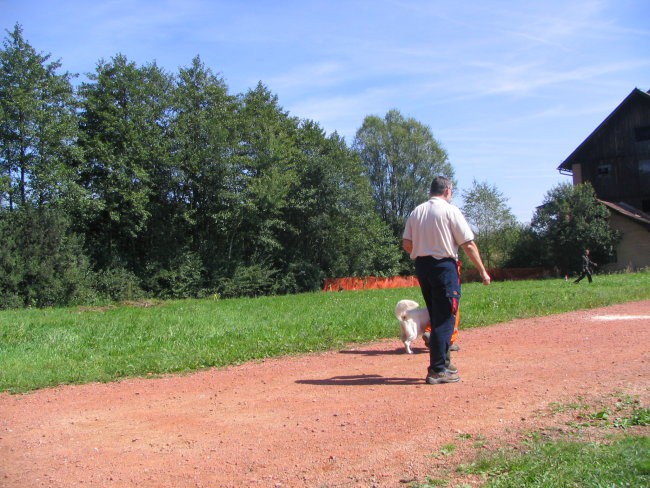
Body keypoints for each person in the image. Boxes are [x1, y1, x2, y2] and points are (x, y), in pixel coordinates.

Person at [403, 176, 491, 384]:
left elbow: (407, 242)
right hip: (444, 267)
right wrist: (482, 271)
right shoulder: (450, 210)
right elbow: (468, 244)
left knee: (437, 315)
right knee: (445, 319)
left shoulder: (417, 211)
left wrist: (418, 253)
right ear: (448, 191)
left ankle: (445, 363)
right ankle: (437, 369)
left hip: (423, 267)